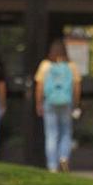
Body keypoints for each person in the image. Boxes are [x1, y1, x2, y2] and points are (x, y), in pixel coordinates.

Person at [34, 39, 82, 172]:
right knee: (66, 131)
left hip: (49, 102)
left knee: (51, 134)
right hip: (66, 103)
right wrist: (76, 103)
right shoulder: (71, 66)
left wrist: (38, 103)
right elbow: (77, 86)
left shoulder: (45, 65)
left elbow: (39, 86)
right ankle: (64, 157)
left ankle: (52, 166)